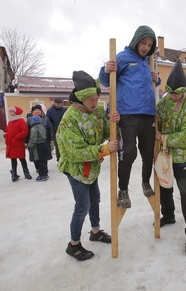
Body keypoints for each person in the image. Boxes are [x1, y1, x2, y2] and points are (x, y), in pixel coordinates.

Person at [57, 70, 119, 261]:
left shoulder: (96, 112)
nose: (95, 102)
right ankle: (73, 244)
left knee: (95, 199)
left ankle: (95, 231)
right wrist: (104, 149)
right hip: (76, 169)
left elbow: (102, 135)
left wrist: (112, 123)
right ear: (82, 98)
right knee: (82, 206)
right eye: (91, 99)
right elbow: (75, 152)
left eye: (96, 98)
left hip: (91, 167)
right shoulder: (70, 119)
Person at [99, 25, 160, 208]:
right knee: (129, 152)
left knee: (149, 153)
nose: (146, 47)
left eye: (149, 45)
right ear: (136, 40)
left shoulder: (148, 62)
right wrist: (106, 70)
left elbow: (153, 84)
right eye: (143, 42)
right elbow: (104, 80)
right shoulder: (123, 57)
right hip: (127, 113)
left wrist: (157, 78)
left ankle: (145, 182)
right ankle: (123, 189)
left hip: (148, 113)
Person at [155, 60, 186, 254]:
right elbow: (156, 116)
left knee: (185, 195)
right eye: (170, 92)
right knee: (164, 187)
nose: (172, 96)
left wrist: (163, 137)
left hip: (182, 157)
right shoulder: (165, 101)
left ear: (184, 91)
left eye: (176, 93)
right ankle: (168, 215)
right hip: (165, 156)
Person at [5, 106, 32, 182]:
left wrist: (17, 137)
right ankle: (14, 174)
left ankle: (26, 173)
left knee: (22, 158)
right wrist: (7, 137)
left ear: (16, 112)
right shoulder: (10, 121)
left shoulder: (21, 120)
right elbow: (7, 130)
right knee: (13, 160)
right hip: (11, 144)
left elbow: (25, 131)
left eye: (12, 112)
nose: (11, 113)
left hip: (18, 143)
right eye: (10, 112)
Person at [28, 115, 51, 181]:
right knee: (43, 160)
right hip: (44, 144)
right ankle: (45, 174)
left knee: (39, 161)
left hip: (38, 146)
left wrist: (29, 145)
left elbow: (33, 139)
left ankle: (42, 175)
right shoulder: (42, 126)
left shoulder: (34, 128)